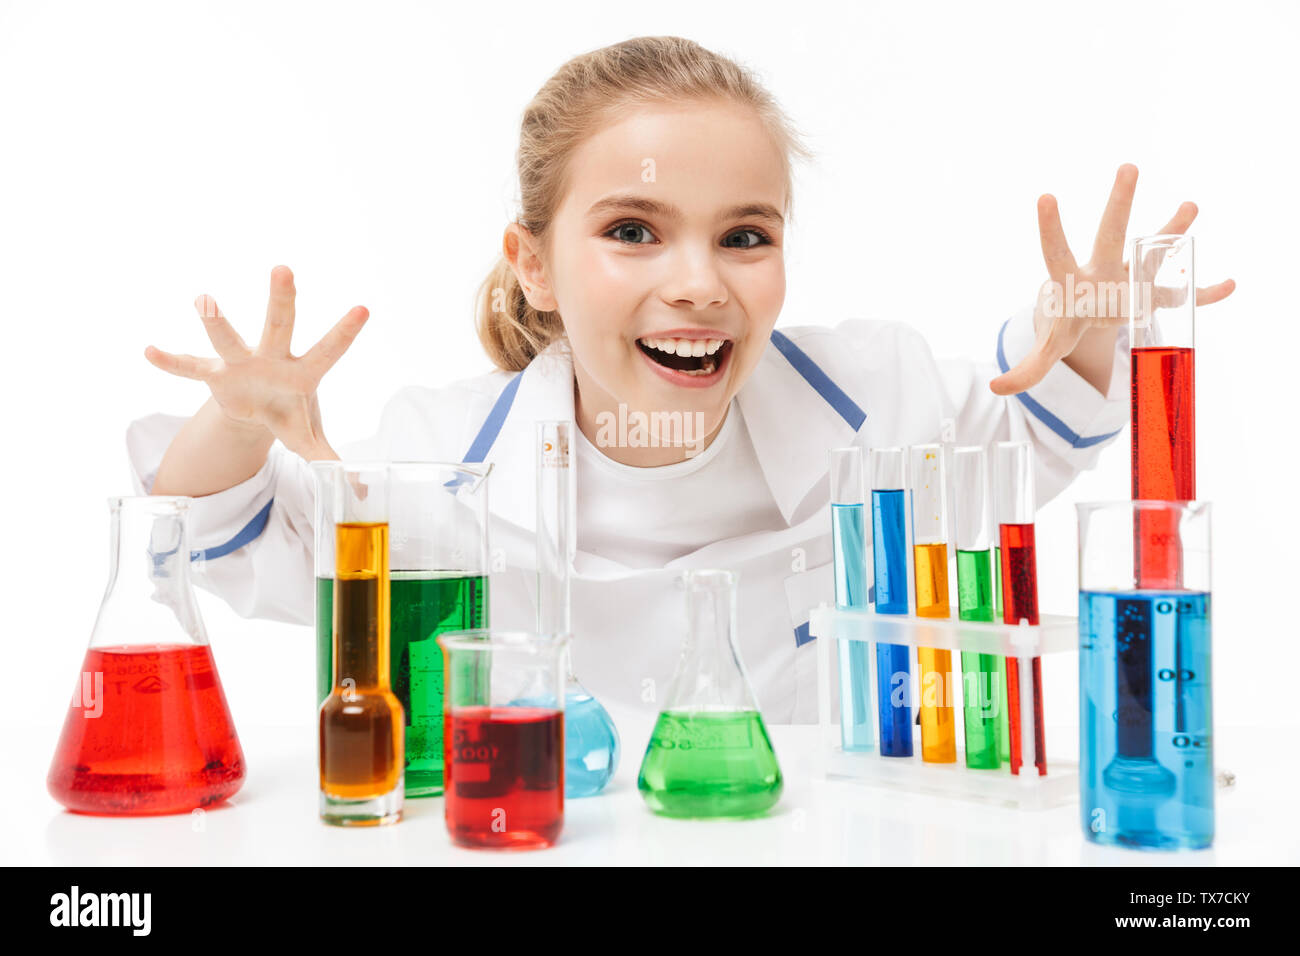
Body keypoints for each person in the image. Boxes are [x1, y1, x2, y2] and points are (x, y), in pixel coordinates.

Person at [129, 36, 1234, 722]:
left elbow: (1031, 429)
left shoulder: (873, 390)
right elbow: (219, 535)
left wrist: (1083, 324)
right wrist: (236, 419)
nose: (699, 283)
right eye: (633, 231)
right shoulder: (442, 455)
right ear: (535, 266)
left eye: (745, 236)